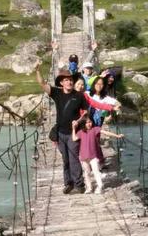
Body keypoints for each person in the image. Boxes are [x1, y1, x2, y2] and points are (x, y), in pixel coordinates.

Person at [35, 63, 116, 194]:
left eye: (71, 80)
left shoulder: (79, 95)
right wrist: (37, 71)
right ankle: (68, 183)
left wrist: (78, 121)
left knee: (73, 158)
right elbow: (43, 84)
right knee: (65, 159)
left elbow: (85, 112)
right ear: (61, 82)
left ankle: (79, 184)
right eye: (66, 80)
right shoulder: (56, 92)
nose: (69, 82)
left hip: (74, 132)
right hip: (60, 132)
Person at [72, 114, 124, 194]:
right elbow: (74, 138)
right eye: (87, 123)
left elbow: (106, 132)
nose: (89, 124)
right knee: (87, 173)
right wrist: (73, 128)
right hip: (83, 156)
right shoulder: (81, 132)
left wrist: (117, 136)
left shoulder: (95, 129)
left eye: (90, 122)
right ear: (83, 124)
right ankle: (89, 188)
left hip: (93, 156)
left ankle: (100, 187)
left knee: (96, 171)